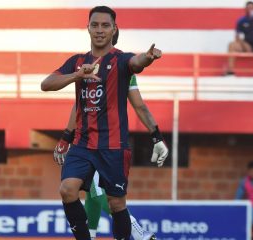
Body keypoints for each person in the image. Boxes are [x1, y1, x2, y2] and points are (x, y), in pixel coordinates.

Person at [41, 5, 165, 240]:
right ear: (88, 28)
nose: (99, 30)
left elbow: (136, 63)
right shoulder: (78, 62)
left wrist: (147, 59)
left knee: (116, 203)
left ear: (113, 29)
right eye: (95, 25)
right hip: (83, 144)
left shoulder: (121, 61)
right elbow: (46, 84)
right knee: (67, 190)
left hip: (113, 145)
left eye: (105, 25)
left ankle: (133, 234)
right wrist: (77, 76)